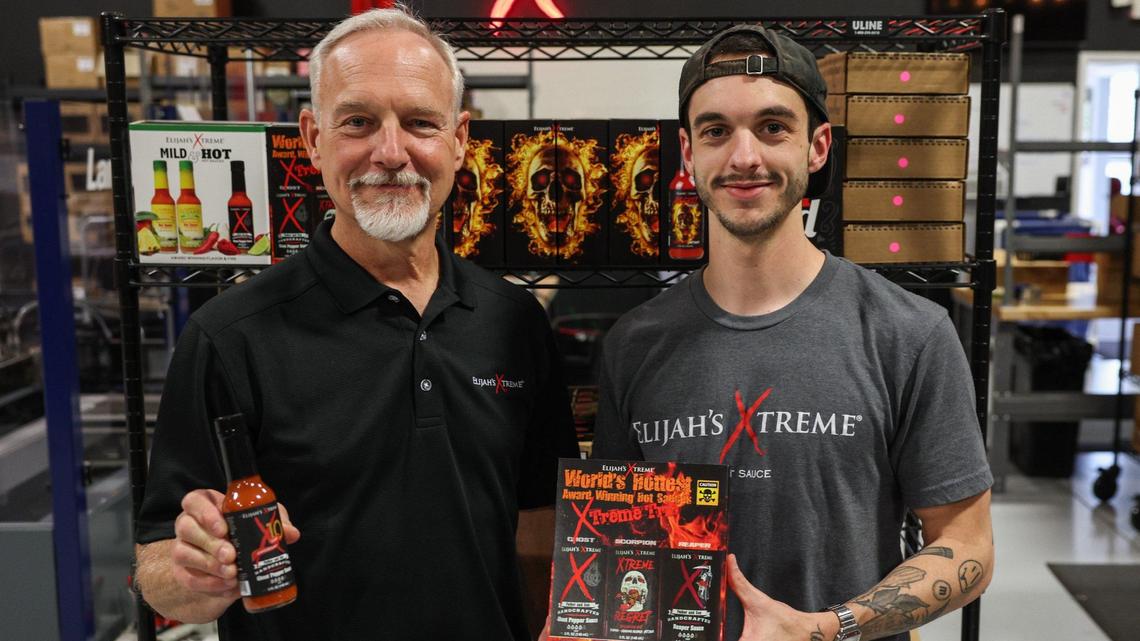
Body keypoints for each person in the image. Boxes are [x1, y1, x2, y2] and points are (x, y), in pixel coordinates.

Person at [132, 7, 579, 640]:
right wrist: (193, 573)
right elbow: (157, 563)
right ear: (313, 138)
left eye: (420, 122)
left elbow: (539, 522)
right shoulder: (230, 337)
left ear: (459, 140)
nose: (391, 153)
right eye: (358, 122)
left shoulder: (514, 321)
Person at [593, 25, 994, 641]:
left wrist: (823, 629)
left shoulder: (908, 333)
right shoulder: (633, 344)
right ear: (688, 152)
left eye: (773, 127)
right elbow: (617, 539)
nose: (744, 157)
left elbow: (968, 546)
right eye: (716, 131)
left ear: (818, 147)